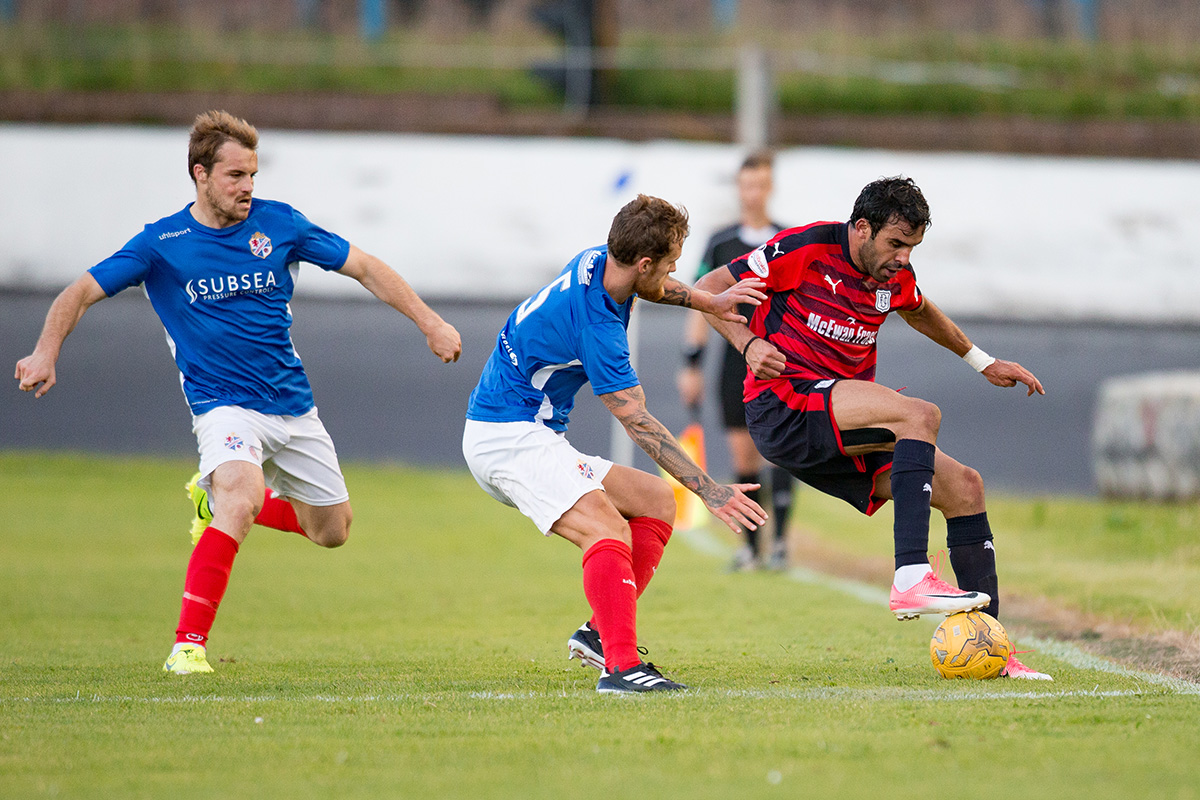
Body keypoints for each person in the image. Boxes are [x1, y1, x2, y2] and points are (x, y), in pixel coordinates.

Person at [14, 110, 462, 675]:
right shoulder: (162, 244)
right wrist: (46, 350)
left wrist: (431, 323)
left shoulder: (281, 225)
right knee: (241, 494)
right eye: (234, 176)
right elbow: (79, 291)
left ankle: (212, 501)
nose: (247, 186)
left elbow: (366, 268)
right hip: (222, 405)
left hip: (293, 405)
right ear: (200, 175)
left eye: (252, 174)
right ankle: (187, 647)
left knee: (333, 531)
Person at [693, 176, 1053, 680]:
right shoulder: (806, 247)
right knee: (919, 415)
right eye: (896, 244)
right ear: (861, 229)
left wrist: (982, 361)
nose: (903, 258)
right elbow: (709, 289)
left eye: (912, 247)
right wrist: (750, 345)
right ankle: (910, 573)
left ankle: (994, 651)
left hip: (840, 425)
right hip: (784, 407)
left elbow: (921, 311)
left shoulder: (894, 277)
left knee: (966, 487)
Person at [462, 194, 769, 694]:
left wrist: (706, 301)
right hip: (507, 439)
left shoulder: (598, 261)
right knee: (606, 528)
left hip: (526, 430)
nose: (675, 274)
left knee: (652, 501)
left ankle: (599, 635)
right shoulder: (599, 329)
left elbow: (653, 287)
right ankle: (622, 669)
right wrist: (710, 490)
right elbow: (640, 424)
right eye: (669, 264)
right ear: (644, 262)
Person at [678, 151, 796, 571]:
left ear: (770, 188)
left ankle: (780, 543)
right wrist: (691, 363)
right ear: (738, 188)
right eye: (747, 185)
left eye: (761, 185)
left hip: (782, 361)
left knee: (780, 452)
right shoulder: (720, 242)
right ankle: (751, 547)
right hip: (733, 362)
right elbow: (700, 302)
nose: (753, 194)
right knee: (743, 456)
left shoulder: (787, 240)